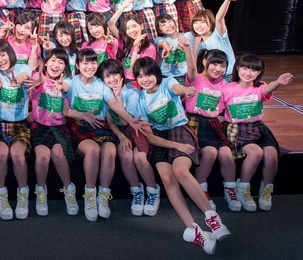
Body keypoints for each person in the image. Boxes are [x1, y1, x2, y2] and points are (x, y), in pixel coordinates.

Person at [133, 56, 230, 255]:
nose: (145, 79)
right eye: (140, 76)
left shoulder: (167, 82)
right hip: (161, 139)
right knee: (167, 179)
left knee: (180, 171)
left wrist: (185, 90)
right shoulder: (141, 99)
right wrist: (176, 145)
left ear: (156, 73)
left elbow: (177, 89)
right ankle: (194, 230)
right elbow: (150, 137)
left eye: (148, 74)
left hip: (179, 129)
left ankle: (212, 218)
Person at [63, 48, 142, 221]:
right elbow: (64, 88)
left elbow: (113, 103)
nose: (89, 66)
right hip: (79, 124)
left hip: (100, 125)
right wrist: (59, 85)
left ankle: (103, 195)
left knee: (110, 150)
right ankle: (90, 194)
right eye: (85, 63)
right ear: (78, 65)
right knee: (93, 150)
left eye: (93, 62)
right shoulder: (71, 81)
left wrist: (130, 119)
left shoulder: (101, 84)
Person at [222, 54, 294, 212]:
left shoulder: (259, 87)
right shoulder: (227, 88)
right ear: (237, 68)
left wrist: (278, 82)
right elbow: (219, 111)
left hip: (258, 127)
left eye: (254, 70)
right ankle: (243, 188)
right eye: (245, 68)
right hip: (238, 129)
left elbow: (267, 89)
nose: (248, 73)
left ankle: (266, 190)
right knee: (255, 153)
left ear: (259, 73)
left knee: (272, 155)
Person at [96, 59, 160, 217]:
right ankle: (137, 191)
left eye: (114, 74)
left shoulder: (132, 92)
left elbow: (126, 121)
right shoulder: (105, 93)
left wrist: (118, 97)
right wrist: (121, 137)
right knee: (125, 155)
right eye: (107, 76)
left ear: (121, 74)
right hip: (121, 132)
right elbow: (111, 123)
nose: (112, 79)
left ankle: (153, 191)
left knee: (139, 158)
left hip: (138, 128)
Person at [184, 49, 240, 212]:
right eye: (214, 64)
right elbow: (191, 68)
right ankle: (201, 191)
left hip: (215, 124)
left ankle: (231, 190)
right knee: (210, 153)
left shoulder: (225, 84)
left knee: (226, 154)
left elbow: (230, 104)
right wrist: (187, 48)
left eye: (222, 65)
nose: (218, 69)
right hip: (196, 122)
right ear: (205, 63)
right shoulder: (195, 79)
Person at [0, 40, 33, 220]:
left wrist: (18, 80)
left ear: (10, 53)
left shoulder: (23, 67)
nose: (0, 59)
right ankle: (1, 194)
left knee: (17, 155)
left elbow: (24, 75)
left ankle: (23, 194)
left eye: (2, 54)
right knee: (1, 154)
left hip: (20, 125)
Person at [29, 49, 79, 216]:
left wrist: (84, 115)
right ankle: (41, 191)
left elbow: (66, 110)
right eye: (53, 60)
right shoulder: (38, 78)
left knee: (58, 154)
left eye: (61, 62)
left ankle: (69, 190)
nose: (56, 65)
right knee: (43, 156)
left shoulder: (66, 84)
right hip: (40, 127)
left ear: (65, 67)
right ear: (46, 62)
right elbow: (35, 78)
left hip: (58, 128)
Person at [187, 0, 249, 77]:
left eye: (202, 22)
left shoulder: (218, 35)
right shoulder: (201, 46)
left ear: (210, 23)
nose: (199, 26)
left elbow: (219, 18)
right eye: (196, 23)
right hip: (214, 77)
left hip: (229, 76)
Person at [108, 1, 157, 84]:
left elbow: (134, 70)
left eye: (134, 26)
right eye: (128, 28)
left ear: (141, 26)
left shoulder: (150, 48)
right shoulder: (124, 41)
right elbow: (110, 24)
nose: (131, 30)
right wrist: (122, 8)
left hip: (139, 82)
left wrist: (135, 48)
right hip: (123, 81)